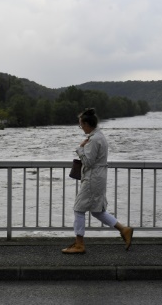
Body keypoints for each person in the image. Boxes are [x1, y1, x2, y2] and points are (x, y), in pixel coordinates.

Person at [62, 108, 134, 254]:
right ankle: (124, 230)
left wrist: (80, 148)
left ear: (87, 124)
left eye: (81, 124)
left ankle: (79, 244)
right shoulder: (99, 136)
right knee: (97, 210)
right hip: (97, 177)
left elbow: (88, 162)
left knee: (79, 209)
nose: (81, 127)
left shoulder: (94, 140)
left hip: (92, 178)